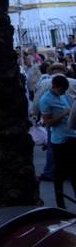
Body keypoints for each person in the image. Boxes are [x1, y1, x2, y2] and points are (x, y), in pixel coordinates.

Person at [40, 74, 76, 209]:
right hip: (60, 141)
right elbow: (48, 123)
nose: (63, 92)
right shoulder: (46, 100)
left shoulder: (64, 96)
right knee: (60, 173)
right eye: (61, 90)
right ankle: (60, 204)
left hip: (71, 136)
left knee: (73, 172)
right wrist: (63, 114)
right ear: (55, 87)